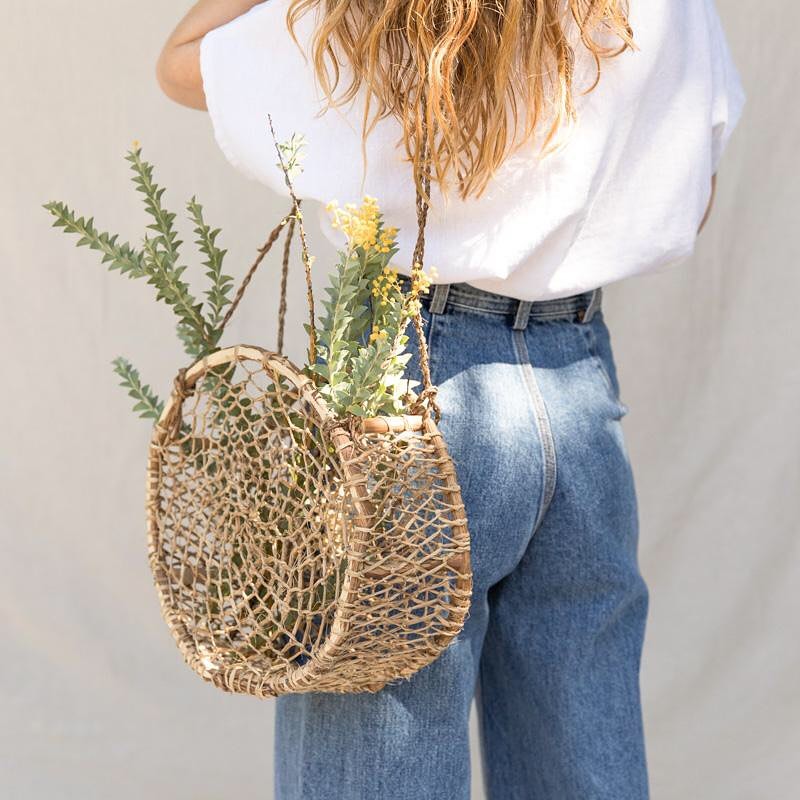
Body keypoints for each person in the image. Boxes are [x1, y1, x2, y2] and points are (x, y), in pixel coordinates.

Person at [157, 2, 744, 798]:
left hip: (411, 387)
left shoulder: (379, 14)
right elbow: (692, 193)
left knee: (375, 758)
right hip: (575, 387)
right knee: (581, 763)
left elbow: (184, 63)